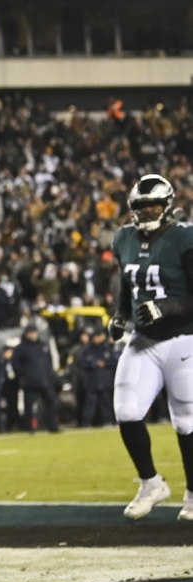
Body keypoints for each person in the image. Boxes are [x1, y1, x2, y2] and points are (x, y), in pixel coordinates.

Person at [109, 174, 193, 521]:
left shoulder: (184, 238)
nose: (147, 213)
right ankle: (151, 482)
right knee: (126, 410)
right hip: (143, 339)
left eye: (154, 206)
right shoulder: (124, 238)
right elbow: (128, 287)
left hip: (183, 338)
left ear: (168, 205)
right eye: (141, 207)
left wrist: (167, 307)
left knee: (186, 421)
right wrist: (119, 315)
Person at [12, 325, 60, 433]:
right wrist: (25, 375)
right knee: (29, 406)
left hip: (45, 381)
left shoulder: (43, 345)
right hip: (30, 383)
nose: (33, 335)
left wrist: (49, 375)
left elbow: (49, 361)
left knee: (51, 403)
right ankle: (29, 427)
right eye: (31, 332)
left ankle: (52, 426)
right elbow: (15, 364)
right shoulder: (21, 348)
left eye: (34, 332)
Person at [80, 329, 117, 427]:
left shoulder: (106, 349)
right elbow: (83, 363)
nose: (97, 339)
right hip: (92, 382)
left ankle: (108, 422)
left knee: (106, 404)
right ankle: (87, 423)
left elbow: (114, 362)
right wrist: (95, 364)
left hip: (105, 382)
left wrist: (105, 363)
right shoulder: (87, 351)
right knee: (90, 405)